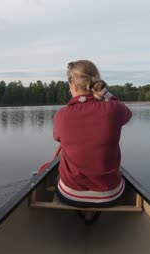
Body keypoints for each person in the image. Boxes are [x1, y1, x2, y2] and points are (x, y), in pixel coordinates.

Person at [53, 60, 132, 223]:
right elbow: (127, 113)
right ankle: (94, 211)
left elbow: (57, 137)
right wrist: (106, 95)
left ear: (72, 84)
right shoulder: (113, 108)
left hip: (71, 194)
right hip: (109, 194)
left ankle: (84, 211)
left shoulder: (61, 115)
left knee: (57, 176)